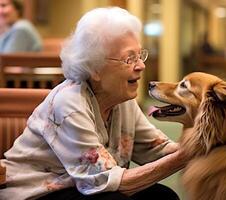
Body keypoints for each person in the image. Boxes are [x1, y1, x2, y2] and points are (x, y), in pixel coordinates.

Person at [0, 7, 188, 200]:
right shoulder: (69, 104)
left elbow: (155, 148)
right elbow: (103, 180)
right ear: (95, 68)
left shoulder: (121, 98)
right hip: (37, 192)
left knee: (163, 196)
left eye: (140, 55)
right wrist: (184, 156)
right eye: (129, 58)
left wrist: (203, 145)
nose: (141, 65)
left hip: (81, 186)